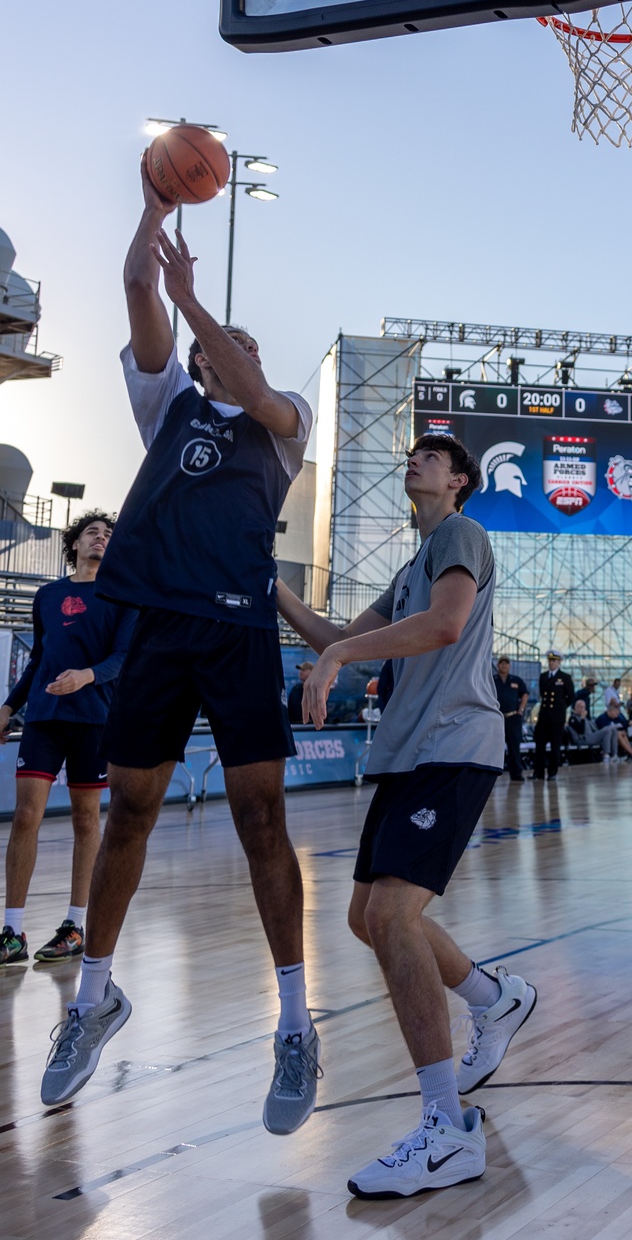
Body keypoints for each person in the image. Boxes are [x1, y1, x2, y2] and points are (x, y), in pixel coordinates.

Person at [40, 167, 317, 1136]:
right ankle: (93, 999)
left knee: (260, 820)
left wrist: (197, 296)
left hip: (239, 627)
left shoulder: (281, 424)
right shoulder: (170, 407)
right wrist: (151, 215)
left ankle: (293, 1017)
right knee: (131, 817)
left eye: (240, 344)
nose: (230, 353)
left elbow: (246, 378)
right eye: (214, 347)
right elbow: (133, 295)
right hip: (159, 624)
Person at [277, 433, 537, 1199]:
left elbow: (446, 625)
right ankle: (496, 997)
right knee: (367, 915)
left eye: (432, 456)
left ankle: (446, 1130)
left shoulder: (462, 533)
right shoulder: (412, 565)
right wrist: (278, 595)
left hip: (454, 744)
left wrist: (338, 661)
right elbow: (342, 639)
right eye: (414, 453)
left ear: (458, 480)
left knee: (391, 914)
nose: (415, 460)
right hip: (407, 754)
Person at [0, 513, 136, 968]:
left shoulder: (122, 594)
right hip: (43, 717)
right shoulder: (48, 596)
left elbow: (123, 658)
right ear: (74, 544)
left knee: (85, 821)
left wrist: (86, 676)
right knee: (25, 816)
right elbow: (39, 660)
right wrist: (7, 709)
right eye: (93, 532)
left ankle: (75, 925)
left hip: (95, 719)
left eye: (109, 535)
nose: (102, 538)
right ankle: (12, 929)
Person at [534, 651, 574, 780]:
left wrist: (560, 707)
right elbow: (543, 694)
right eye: (550, 660)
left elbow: (571, 697)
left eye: (554, 661)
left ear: (559, 662)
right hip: (544, 716)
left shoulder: (565, 677)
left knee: (555, 746)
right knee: (539, 745)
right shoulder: (544, 676)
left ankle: (552, 773)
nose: (551, 663)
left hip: (557, 717)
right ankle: (538, 773)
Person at [494, 656, 529, 781]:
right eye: (501, 663)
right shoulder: (493, 679)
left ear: (509, 666)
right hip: (497, 718)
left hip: (513, 717)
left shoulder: (516, 680)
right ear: (497, 665)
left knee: (514, 746)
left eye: (506, 663)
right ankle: (493, 773)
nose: (504, 666)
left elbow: (525, 693)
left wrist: (521, 709)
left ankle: (516, 773)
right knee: (494, 746)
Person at [285, 660, 314, 726]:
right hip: (295, 727)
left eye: (303, 670)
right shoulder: (296, 688)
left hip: (311, 727)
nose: (300, 672)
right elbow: (289, 708)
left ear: (311, 672)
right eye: (300, 670)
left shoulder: (317, 690)